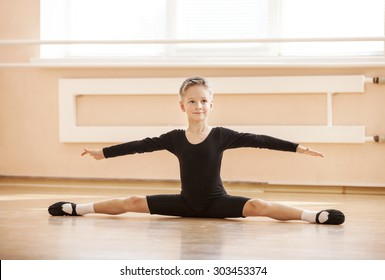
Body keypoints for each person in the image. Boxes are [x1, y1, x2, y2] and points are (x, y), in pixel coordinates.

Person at [48, 77, 345, 225]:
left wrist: (298, 148)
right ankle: (77, 209)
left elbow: (260, 139)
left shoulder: (222, 136)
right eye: (192, 101)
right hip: (185, 203)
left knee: (258, 206)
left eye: (203, 101)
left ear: (211, 105)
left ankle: (313, 216)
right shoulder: (175, 138)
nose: (198, 106)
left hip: (218, 203)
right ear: (182, 106)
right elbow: (141, 146)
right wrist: (104, 153)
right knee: (132, 201)